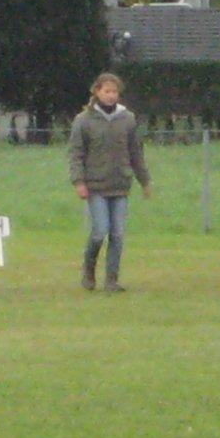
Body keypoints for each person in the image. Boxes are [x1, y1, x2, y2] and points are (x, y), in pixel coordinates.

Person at [68, 72, 152, 292]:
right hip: (95, 186)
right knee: (99, 232)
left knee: (117, 234)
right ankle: (89, 272)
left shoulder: (127, 119)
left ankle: (111, 280)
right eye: (107, 91)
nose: (111, 95)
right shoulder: (84, 120)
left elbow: (136, 153)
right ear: (97, 92)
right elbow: (76, 154)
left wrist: (144, 180)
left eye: (114, 91)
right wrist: (78, 181)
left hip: (120, 185)